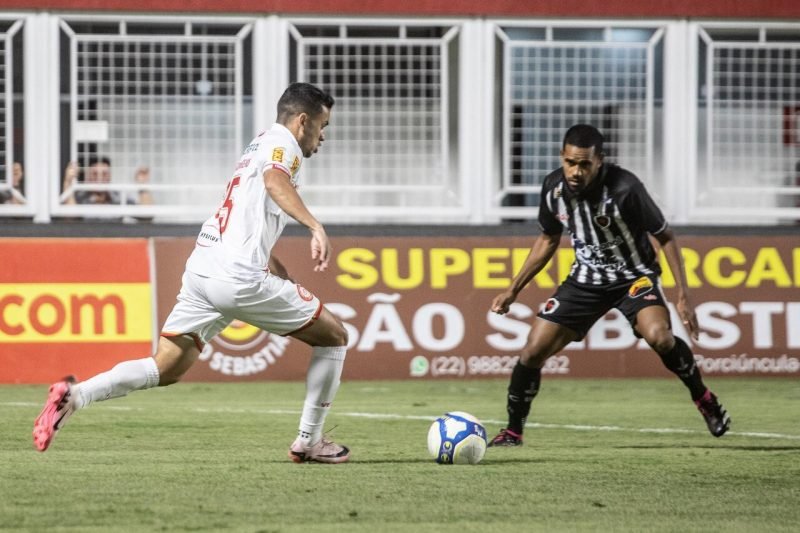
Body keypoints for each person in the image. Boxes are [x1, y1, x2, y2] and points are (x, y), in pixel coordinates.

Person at [34, 82, 351, 464]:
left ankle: (76, 395)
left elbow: (250, 224)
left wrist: (280, 274)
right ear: (303, 121)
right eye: (323, 125)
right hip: (237, 277)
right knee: (334, 337)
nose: (323, 136)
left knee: (165, 367)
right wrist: (315, 226)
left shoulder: (257, 146)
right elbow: (276, 181)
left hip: (204, 268)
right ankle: (309, 440)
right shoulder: (283, 147)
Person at [487, 124, 730, 447]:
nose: (576, 171)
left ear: (599, 161)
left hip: (634, 278)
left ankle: (704, 399)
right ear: (562, 157)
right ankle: (513, 431)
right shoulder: (553, 189)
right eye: (571, 162)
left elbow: (665, 236)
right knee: (532, 351)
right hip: (584, 282)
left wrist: (683, 295)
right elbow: (547, 240)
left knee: (659, 337)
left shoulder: (625, 188)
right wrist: (513, 289)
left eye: (585, 164)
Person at [62, 157, 153, 207]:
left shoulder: (118, 198)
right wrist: (68, 182)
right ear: (88, 177)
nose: (100, 178)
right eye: (95, 174)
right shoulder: (80, 198)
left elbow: (146, 216)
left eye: (104, 174)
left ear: (110, 176)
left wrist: (142, 185)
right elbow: (70, 217)